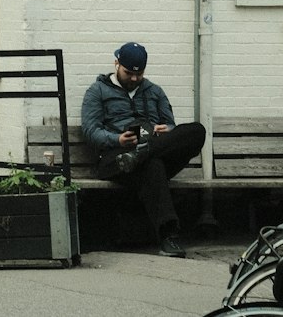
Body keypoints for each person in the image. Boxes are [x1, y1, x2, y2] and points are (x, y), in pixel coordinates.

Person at [81, 41, 206, 258]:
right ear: (116, 64)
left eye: (139, 74)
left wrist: (165, 130)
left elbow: (172, 128)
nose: (134, 79)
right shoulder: (97, 91)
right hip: (116, 158)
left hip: (148, 151)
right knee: (153, 165)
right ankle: (169, 237)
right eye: (129, 73)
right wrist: (118, 139)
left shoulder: (154, 92)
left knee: (197, 130)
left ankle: (142, 154)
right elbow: (91, 132)